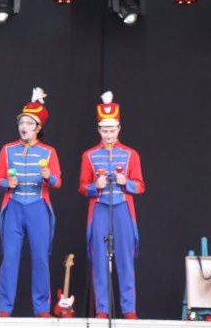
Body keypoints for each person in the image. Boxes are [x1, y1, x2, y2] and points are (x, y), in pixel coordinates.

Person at [0, 87, 62, 318]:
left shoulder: (49, 152)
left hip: (37, 206)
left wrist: (48, 177)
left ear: (38, 128)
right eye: (22, 122)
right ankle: (5, 308)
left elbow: (58, 181)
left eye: (30, 123)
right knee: (9, 257)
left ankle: (42, 308)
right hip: (13, 206)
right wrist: (6, 183)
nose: (24, 127)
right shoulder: (7, 150)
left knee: (40, 257)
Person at [78, 91, 145, 320]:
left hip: (123, 207)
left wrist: (127, 182)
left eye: (112, 130)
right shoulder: (89, 155)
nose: (109, 134)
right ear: (98, 130)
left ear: (119, 129)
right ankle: (102, 310)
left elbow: (140, 185)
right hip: (99, 208)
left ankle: (129, 310)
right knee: (99, 260)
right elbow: (82, 187)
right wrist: (94, 186)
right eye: (104, 130)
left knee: (125, 260)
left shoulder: (130, 154)